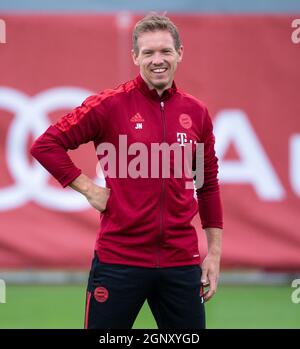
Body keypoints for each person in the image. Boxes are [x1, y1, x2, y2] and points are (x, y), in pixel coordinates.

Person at [30, 13, 223, 329]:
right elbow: (46, 145)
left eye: (165, 51)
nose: (157, 60)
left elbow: (208, 184)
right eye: (148, 53)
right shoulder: (110, 105)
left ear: (179, 54)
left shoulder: (196, 113)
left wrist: (213, 255)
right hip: (119, 260)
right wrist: (90, 190)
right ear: (135, 56)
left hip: (180, 263)